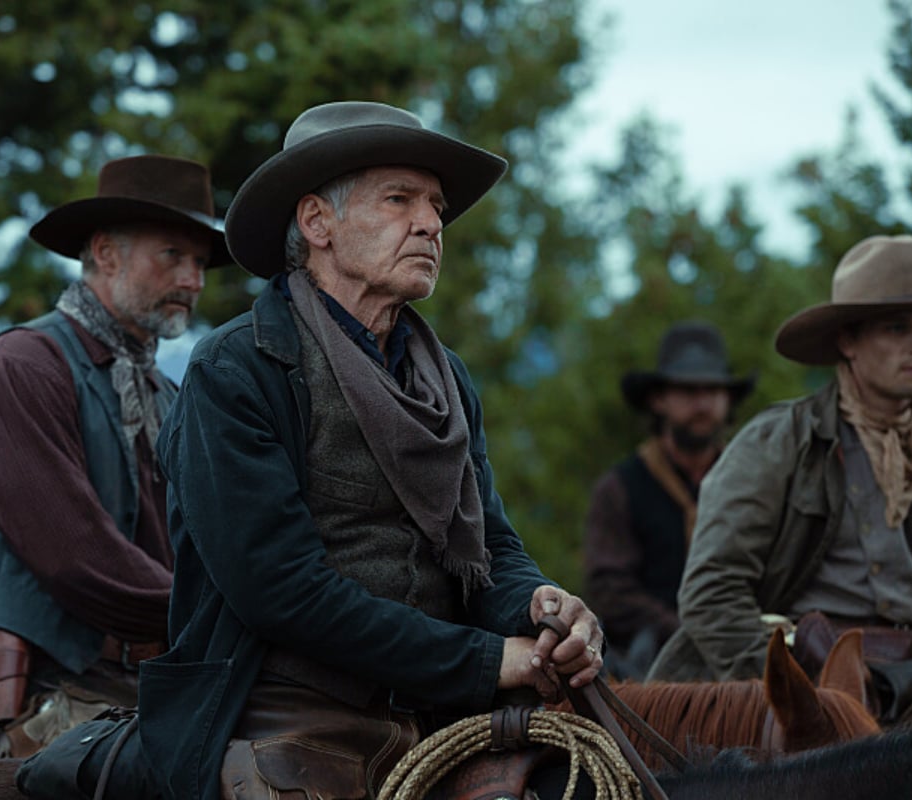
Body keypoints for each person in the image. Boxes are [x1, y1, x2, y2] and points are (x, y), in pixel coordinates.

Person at [126, 101, 604, 800]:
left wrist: (541, 609)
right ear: (318, 223)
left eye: (436, 206)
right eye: (399, 199)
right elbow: (280, 592)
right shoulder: (236, 371)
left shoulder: (446, 378)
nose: (432, 224)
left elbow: (490, 546)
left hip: (442, 716)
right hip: (284, 716)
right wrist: (485, 661)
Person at [646, 234, 912, 723]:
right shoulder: (779, 443)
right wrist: (796, 687)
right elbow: (712, 593)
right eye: (898, 327)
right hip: (794, 701)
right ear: (848, 341)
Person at [0, 154, 231, 759]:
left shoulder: (167, 392)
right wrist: (224, 612)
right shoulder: (19, 367)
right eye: (172, 256)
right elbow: (76, 559)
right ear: (104, 254)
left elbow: (199, 540)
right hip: (32, 680)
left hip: (136, 678)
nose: (194, 280)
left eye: (200, 262)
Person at [583, 321, 754, 679]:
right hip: (648, 666)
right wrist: (687, 634)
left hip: (742, 656)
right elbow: (610, 592)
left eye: (713, 391)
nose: (703, 404)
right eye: (689, 391)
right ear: (659, 399)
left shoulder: (750, 484)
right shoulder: (620, 488)